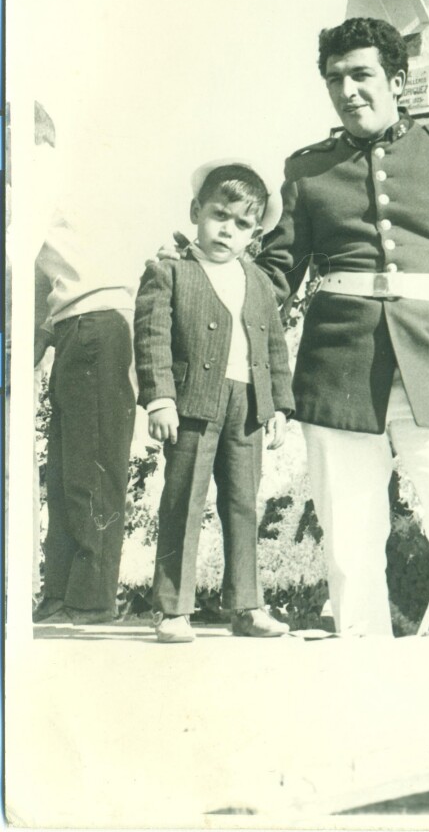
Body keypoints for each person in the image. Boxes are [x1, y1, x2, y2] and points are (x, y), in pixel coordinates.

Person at [255, 16, 429, 643]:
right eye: (334, 79)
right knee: (350, 541)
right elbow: (275, 275)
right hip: (339, 372)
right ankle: (364, 677)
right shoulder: (308, 170)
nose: (347, 91)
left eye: (361, 75)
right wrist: (208, 279)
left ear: (397, 81)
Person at [135, 163, 294, 643]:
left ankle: (246, 606)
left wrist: (278, 406)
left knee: (244, 504)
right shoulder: (169, 270)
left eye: (243, 224)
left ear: (255, 233)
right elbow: (152, 337)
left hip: (247, 405)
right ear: (195, 212)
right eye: (219, 215)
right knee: (183, 501)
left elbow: (274, 346)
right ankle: (173, 609)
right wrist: (160, 399)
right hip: (192, 404)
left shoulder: (258, 280)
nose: (228, 229)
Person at [33, 160, 138, 625]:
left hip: (96, 323)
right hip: (72, 328)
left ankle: (92, 599)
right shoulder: (46, 192)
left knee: (92, 471)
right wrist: (43, 334)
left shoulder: (50, 183)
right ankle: (60, 593)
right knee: (63, 472)